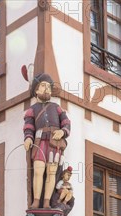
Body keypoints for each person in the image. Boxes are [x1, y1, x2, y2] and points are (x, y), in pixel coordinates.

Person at [24, 73, 71, 208]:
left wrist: (63, 131)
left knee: (51, 173)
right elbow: (28, 126)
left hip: (54, 143)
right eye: (43, 86)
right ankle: (36, 200)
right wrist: (28, 138)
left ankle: (46, 202)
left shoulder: (56, 107)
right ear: (36, 90)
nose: (47, 89)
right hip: (39, 142)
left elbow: (66, 122)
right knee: (38, 171)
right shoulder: (32, 110)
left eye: (49, 87)